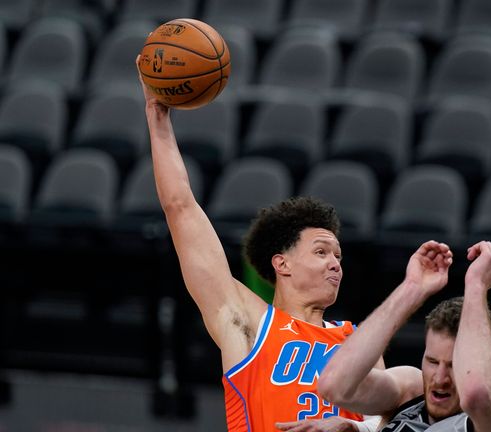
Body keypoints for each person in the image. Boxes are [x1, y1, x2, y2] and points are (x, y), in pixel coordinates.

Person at [137, 56, 406, 431]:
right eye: (321, 252)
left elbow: (386, 418)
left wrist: (351, 427)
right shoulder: (247, 321)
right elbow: (180, 208)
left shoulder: (356, 338)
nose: (336, 264)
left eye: (338, 256)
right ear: (283, 264)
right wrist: (157, 115)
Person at [318, 241, 491, 432]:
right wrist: (412, 287)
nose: (440, 379)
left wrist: (476, 286)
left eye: (453, 366)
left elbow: (477, 394)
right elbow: (334, 386)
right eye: (432, 361)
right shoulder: (409, 391)